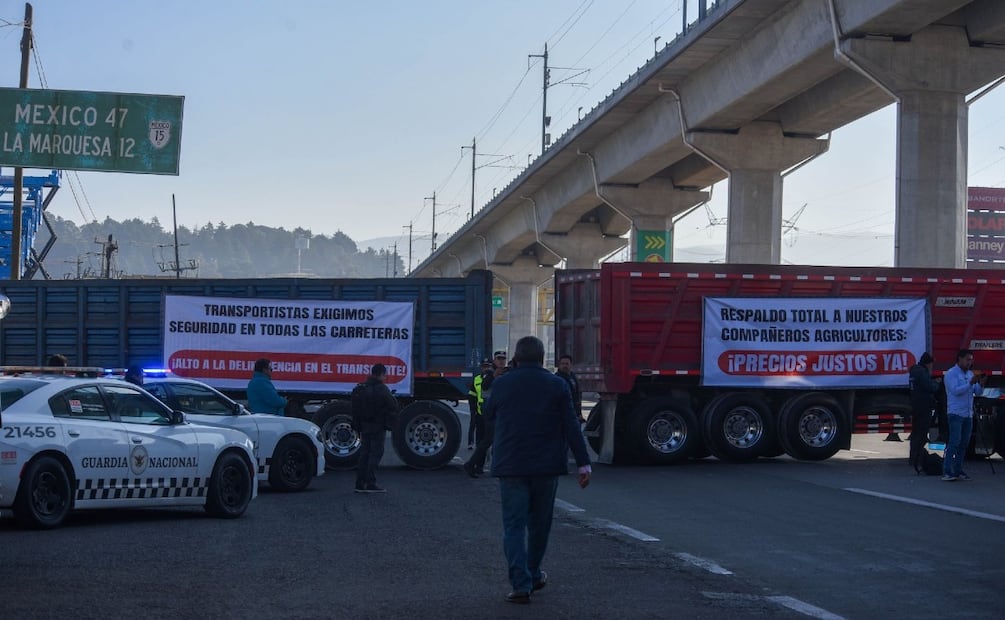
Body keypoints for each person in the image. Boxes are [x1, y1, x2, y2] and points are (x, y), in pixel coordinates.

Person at [487, 335, 591, 604]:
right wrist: (584, 462)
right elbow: (571, 426)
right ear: (543, 358)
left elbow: (488, 414)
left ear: (516, 358)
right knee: (540, 525)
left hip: (511, 465)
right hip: (546, 466)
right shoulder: (557, 385)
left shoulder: (502, 384)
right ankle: (533, 573)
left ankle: (520, 582)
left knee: (513, 526)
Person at [354, 363, 399, 493]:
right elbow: (393, 405)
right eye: (385, 374)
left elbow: (355, 409)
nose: (385, 377)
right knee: (376, 453)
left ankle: (359, 483)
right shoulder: (382, 389)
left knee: (364, 453)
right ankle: (371, 483)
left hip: (364, 425)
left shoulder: (361, 388)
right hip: (378, 426)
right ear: (380, 374)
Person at [941, 348, 984, 481]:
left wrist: (980, 384)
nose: (969, 362)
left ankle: (958, 469)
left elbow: (977, 392)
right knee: (954, 442)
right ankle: (947, 471)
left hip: (968, 413)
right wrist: (969, 384)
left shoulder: (970, 374)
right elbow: (955, 391)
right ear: (959, 359)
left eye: (971, 360)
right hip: (956, 413)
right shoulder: (951, 374)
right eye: (967, 359)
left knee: (964, 443)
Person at [464, 350, 508, 477]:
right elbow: (484, 388)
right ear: (494, 360)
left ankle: (478, 466)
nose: (501, 361)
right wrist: (494, 375)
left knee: (491, 440)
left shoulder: (506, 372)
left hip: (500, 412)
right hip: (489, 413)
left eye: (503, 359)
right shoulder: (489, 373)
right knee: (488, 440)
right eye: (499, 358)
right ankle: (473, 464)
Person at [908, 352, 938, 473]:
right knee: (921, 434)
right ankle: (918, 458)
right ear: (928, 363)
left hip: (916, 405)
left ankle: (913, 457)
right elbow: (930, 387)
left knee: (915, 433)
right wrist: (937, 384)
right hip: (924, 406)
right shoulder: (922, 372)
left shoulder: (914, 371)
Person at [467, 359, 493, 449]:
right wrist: (473, 409)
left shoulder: (494, 378)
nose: (486, 368)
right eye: (484, 366)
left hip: (491, 412)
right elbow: (472, 395)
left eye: (488, 366)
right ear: (481, 367)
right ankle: (470, 443)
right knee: (477, 432)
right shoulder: (477, 379)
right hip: (479, 411)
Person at [555, 354, 582, 422]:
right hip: (562, 414)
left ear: (571, 365)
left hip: (574, 412)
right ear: (559, 365)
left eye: (567, 364)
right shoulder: (556, 379)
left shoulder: (573, 377)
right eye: (562, 364)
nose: (564, 366)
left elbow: (577, 396)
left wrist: (579, 413)